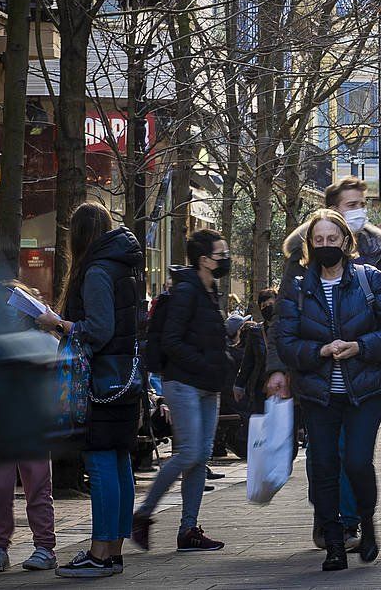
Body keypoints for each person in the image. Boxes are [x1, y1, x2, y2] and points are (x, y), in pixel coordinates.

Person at [266, 177, 381, 549]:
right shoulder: (299, 267)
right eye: (349, 205)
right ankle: (331, 526)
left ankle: (356, 520)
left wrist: (363, 347)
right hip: (317, 380)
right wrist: (283, 365)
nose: (357, 211)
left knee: (355, 458)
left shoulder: (378, 260)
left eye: (361, 204)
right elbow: (284, 324)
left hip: (364, 379)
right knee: (324, 458)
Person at [36, 203, 143, 578]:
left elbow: (98, 330)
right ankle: (112, 551)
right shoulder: (124, 267)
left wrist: (58, 323)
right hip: (124, 381)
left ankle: (100, 552)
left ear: (78, 236)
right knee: (118, 462)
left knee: (101, 464)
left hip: (99, 383)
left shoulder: (97, 270)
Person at [132, 229, 232, 553]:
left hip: (207, 386)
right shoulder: (187, 291)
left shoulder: (209, 290)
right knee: (189, 453)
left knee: (200, 457)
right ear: (204, 260)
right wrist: (205, 364)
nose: (225, 259)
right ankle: (143, 514)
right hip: (185, 383)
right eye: (221, 254)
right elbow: (172, 341)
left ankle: (189, 529)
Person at [0, 282, 57, 572]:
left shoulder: (44, 340)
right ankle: (0, 546)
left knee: (37, 486)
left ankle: (45, 546)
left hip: (32, 424)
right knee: (0, 487)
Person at [234, 288, 278, 416]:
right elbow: (248, 361)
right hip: (261, 389)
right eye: (263, 306)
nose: (267, 308)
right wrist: (239, 384)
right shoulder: (256, 332)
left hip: (286, 387)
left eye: (270, 304)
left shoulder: (288, 328)